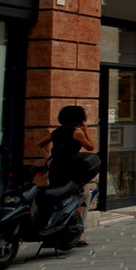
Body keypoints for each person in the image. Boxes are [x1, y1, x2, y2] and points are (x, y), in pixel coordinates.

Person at [37, 104, 96, 245]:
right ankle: (75, 233)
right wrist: (86, 130)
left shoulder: (57, 132)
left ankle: (53, 228)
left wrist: (48, 158)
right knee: (77, 198)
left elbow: (38, 145)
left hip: (56, 169)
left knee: (57, 197)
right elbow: (90, 147)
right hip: (71, 169)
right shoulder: (77, 133)